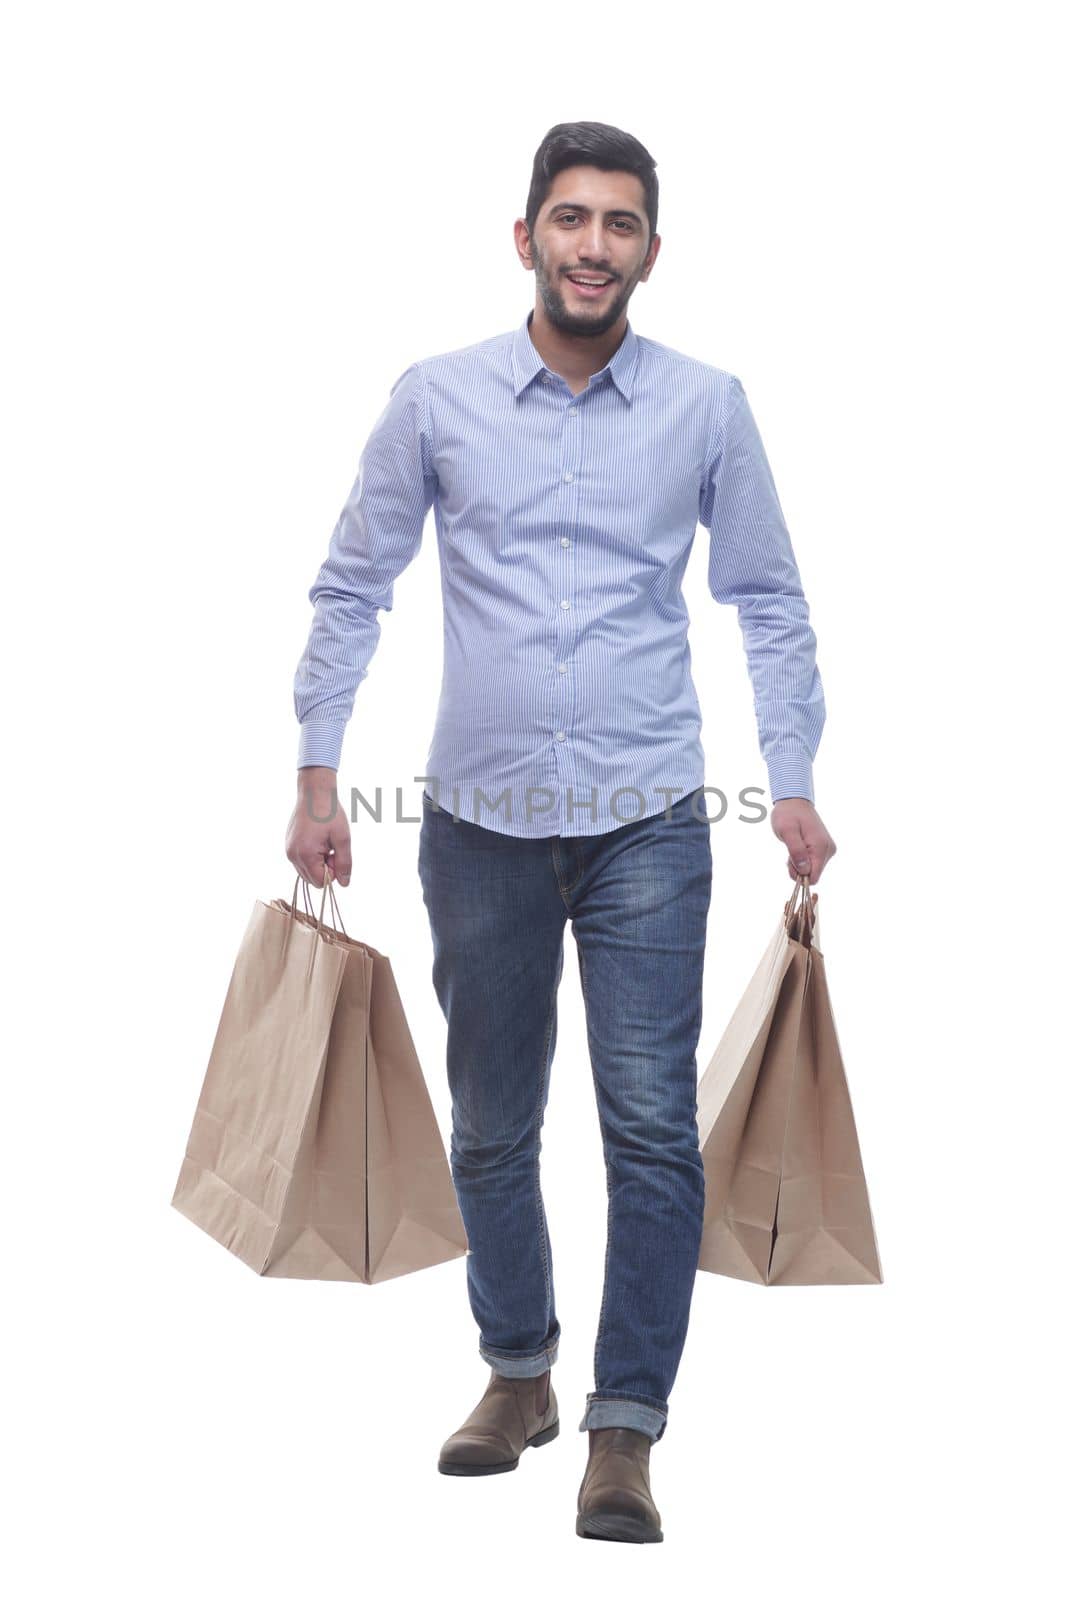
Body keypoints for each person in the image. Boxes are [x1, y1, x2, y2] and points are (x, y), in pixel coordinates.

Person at [286, 120, 836, 1544]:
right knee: (490, 1127)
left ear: (652, 248)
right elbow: (353, 591)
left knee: (651, 1127)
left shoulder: (707, 406)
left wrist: (788, 776)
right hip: (473, 823)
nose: (595, 245)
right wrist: (315, 771)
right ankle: (517, 1375)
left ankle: (624, 1427)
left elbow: (766, 602)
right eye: (571, 219)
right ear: (523, 234)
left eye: (622, 224)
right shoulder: (435, 399)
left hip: (653, 820)